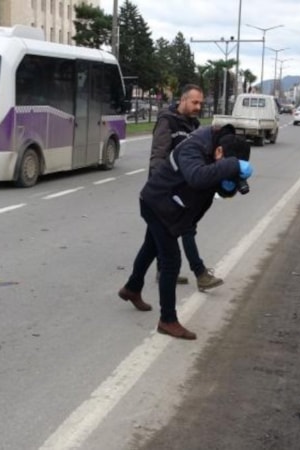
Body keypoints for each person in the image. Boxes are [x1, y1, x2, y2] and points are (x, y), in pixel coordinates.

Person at [118, 125, 253, 340]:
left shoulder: (217, 154)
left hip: (171, 206)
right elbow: (197, 177)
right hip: (157, 203)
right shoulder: (194, 147)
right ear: (219, 152)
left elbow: (212, 183)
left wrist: (228, 186)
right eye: (228, 163)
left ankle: (132, 288)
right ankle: (167, 320)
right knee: (171, 261)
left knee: (150, 247)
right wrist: (232, 165)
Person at [147, 84, 222, 291]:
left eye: (201, 103)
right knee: (185, 228)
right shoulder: (167, 122)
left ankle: (139, 282)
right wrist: (157, 189)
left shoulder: (194, 125)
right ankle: (200, 273)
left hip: (183, 188)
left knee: (154, 238)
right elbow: (158, 155)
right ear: (183, 100)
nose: (198, 106)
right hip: (166, 189)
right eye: (195, 102)